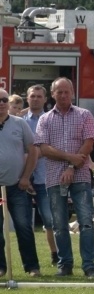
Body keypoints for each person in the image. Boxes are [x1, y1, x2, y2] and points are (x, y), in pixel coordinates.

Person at [34, 78, 94, 278]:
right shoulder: (44, 119)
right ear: (52, 94)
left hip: (80, 176)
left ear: (72, 92)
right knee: (59, 223)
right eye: (59, 92)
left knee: (86, 221)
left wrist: (71, 165)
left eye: (66, 92)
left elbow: (89, 143)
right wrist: (69, 157)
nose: (63, 95)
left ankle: (89, 266)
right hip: (54, 177)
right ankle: (65, 264)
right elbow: (43, 148)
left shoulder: (84, 115)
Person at [0, 89, 40, 277]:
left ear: (8, 103)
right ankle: (0, 267)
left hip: (17, 186)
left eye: (3, 100)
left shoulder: (19, 124)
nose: (1, 103)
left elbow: (33, 151)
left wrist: (25, 177)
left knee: (24, 226)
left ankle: (32, 267)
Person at [22, 84, 58, 266]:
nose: (35, 99)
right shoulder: (19, 120)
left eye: (38, 96)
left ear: (45, 99)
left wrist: (38, 152)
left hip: (46, 176)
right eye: (32, 96)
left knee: (50, 219)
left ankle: (55, 254)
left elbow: (52, 147)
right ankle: (30, 260)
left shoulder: (51, 120)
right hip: (22, 179)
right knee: (24, 223)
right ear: (27, 98)